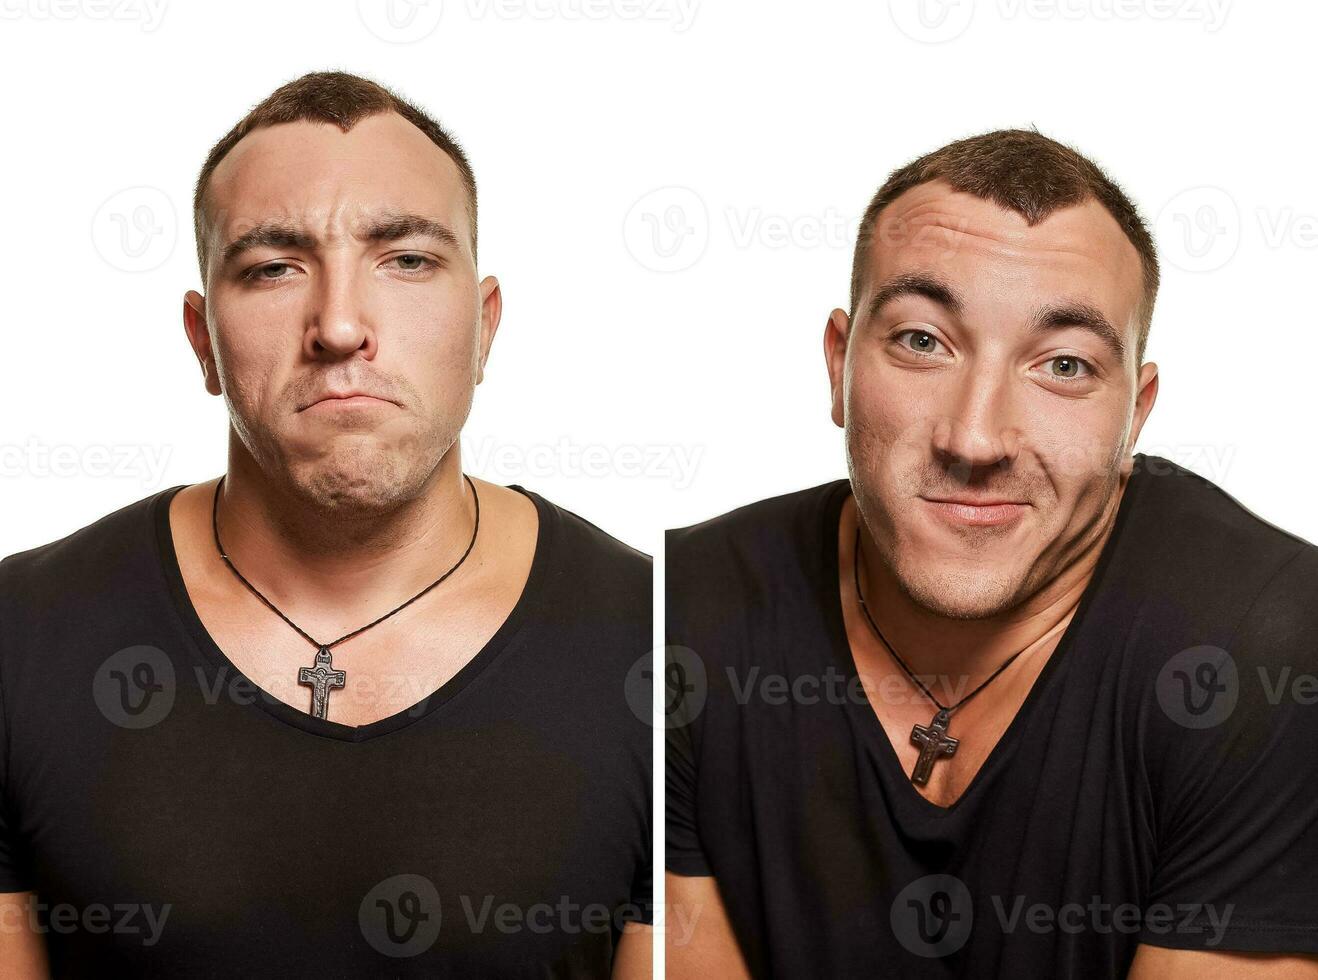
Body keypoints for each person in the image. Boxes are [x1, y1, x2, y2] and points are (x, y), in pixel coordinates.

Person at [0, 71, 652, 977]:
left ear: (485, 327)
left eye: (408, 260)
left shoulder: (660, 647)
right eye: (273, 267)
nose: (340, 326)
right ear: (203, 342)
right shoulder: (20, 635)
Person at [664, 128, 1318, 979]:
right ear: (839, 364)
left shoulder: (1267, 644)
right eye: (922, 341)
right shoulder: (677, 609)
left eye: (1065, 365)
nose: (975, 437)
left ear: (1137, 415)